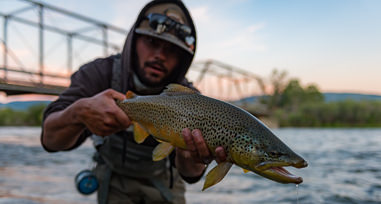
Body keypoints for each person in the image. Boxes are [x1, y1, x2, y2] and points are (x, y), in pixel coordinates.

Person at [41, 0, 226, 203]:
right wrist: (78, 112)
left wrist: (191, 156)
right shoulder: (99, 74)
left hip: (165, 183)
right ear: (133, 40)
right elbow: (50, 139)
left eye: (172, 50)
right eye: (152, 42)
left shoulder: (191, 100)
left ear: (183, 59)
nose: (160, 56)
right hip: (113, 180)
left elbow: (190, 174)